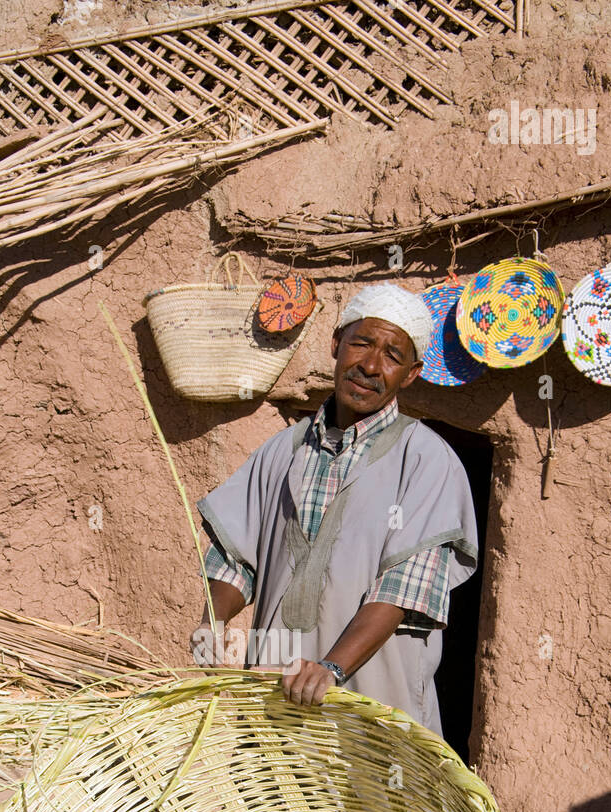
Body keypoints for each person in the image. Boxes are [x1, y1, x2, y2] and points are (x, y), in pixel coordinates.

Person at [190, 283, 479, 737]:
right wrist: (212, 622)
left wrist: (330, 669)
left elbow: (402, 590)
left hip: (372, 709)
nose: (369, 365)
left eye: (392, 355)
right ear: (335, 345)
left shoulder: (426, 461)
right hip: (275, 698)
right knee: (272, 804)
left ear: (411, 374)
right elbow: (234, 562)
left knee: (370, 809)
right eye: (361, 343)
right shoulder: (281, 451)